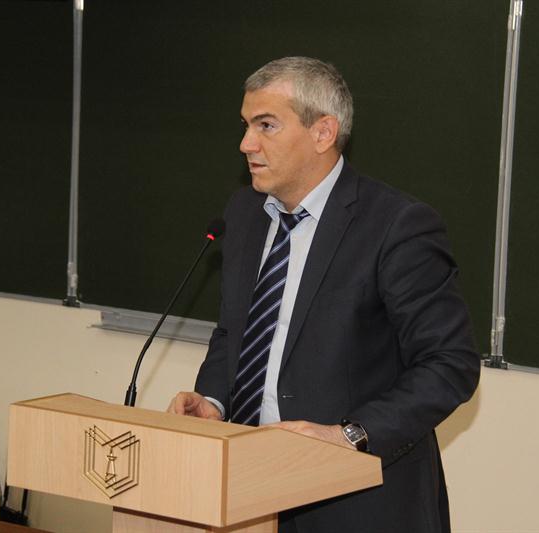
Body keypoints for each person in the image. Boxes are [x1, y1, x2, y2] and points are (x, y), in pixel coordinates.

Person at [168, 56, 480, 533]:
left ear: (323, 132)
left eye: (266, 125)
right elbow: (235, 330)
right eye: (246, 126)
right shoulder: (245, 211)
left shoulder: (396, 225)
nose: (246, 143)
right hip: (250, 488)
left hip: (357, 501)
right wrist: (215, 399)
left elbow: (450, 364)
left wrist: (349, 435)